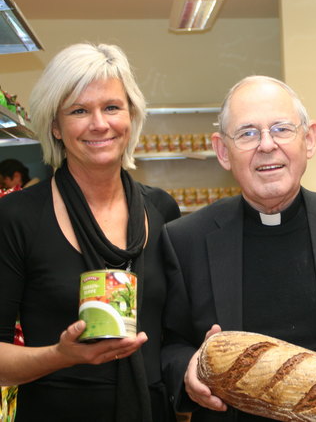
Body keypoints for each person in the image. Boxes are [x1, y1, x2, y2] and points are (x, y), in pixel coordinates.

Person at [161, 75, 316, 422]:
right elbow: (171, 343)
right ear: (223, 151)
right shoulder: (185, 240)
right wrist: (187, 370)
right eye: (247, 133)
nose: (266, 145)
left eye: (282, 129)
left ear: (309, 139)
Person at [0, 43, 181, 422]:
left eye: (112, 107)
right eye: (79, 110)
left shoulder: (162, 210)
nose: (99, 124)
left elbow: (175, 335)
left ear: (131, 115)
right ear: (55, 125)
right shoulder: (16, 218)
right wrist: (59, 356)